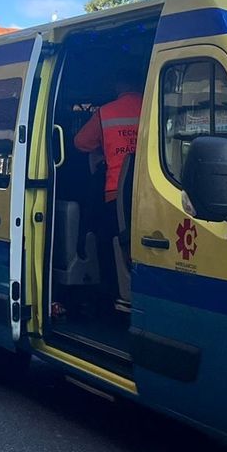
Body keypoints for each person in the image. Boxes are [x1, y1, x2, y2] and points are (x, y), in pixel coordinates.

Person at [74, 71, 143, 305]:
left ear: (118, 85)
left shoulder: (107, 112)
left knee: (109, 245)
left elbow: (80, 142)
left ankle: (111, 296)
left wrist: (104, 148)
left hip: (116, 192)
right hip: (150, 192)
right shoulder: (154, 104)